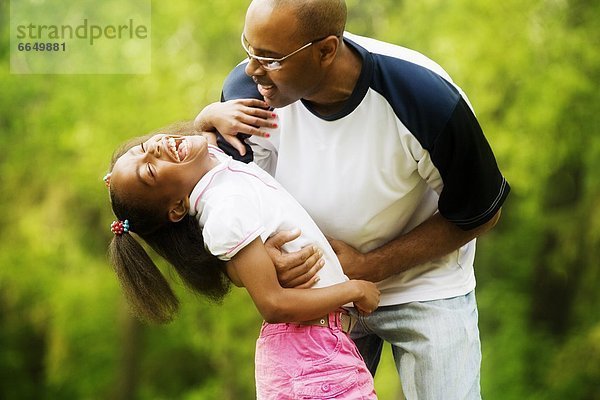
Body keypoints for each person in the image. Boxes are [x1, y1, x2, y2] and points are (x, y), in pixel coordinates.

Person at [194, 0, 511, 398]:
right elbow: (215, 205)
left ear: (326, 50)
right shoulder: (246, 96)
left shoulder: (424, 99)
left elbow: (481, 212)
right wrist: (265, 264)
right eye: (249, 49)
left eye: (271, 59)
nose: (252, 69)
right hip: (320, 290)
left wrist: (368, 266)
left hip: (426, 282)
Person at [105, 123, 380, 399]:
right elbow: (273, 304)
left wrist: (211, 114)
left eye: (143, 148)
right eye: (150, 170)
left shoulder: (212, 166)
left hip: (314, 350)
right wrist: (353, 289)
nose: (154, 148)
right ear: (177, 207)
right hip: (312, 354)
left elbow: (204, 134)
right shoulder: (224, 208)